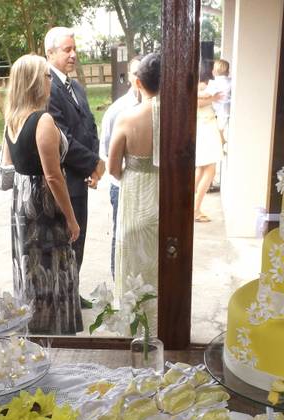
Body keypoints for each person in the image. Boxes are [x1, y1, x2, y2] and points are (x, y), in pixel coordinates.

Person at [3, 54, 82, 335]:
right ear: (36, 82)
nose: (51, 81)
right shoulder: (42, 120)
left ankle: (33, 332)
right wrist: (71, 219)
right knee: (51, 274)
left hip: (21, 208)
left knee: (30, 273)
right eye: (47, 76)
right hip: (44, 209)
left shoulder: (12, 118)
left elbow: (7, 167)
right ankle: (55, 336)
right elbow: (52, 176)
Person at [44, 26, 104, 309]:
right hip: (64, 180)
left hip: (81, 177)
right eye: (67, 49)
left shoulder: (75, 85)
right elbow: (61, 138)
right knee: (66, 239)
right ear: (50, 52)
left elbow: (89, 125)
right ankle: (61, 300)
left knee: (78, 240)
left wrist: (94, 162)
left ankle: (71, 291)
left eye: (74, 49)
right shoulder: (48, 87)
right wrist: (92, 162)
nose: (73, 54)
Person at [107, 53, 160, 328]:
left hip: (136, 194)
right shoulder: (177, 117)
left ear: (138, 82)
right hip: (165, 194)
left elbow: (113, 168)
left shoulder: (127, 118)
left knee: (134, 264)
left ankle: (136, 327)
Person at [100, 55, 141, 278]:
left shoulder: (162, 108)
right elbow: (107, 152)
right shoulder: (118, 111)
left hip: (151, 187)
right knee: (121, 234)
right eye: (135, 74)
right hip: (123, 185)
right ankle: (120, 283)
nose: (139, 79)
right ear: (130, 78)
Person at [194, 67, 223, 222]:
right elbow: (197, 102)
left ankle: (190, 206)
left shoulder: (194, 85)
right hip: (206, 128)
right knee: (210, 171)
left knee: (200, 170)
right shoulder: (203, 86)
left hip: (203, 127)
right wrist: (213, 98)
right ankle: (195, 209)